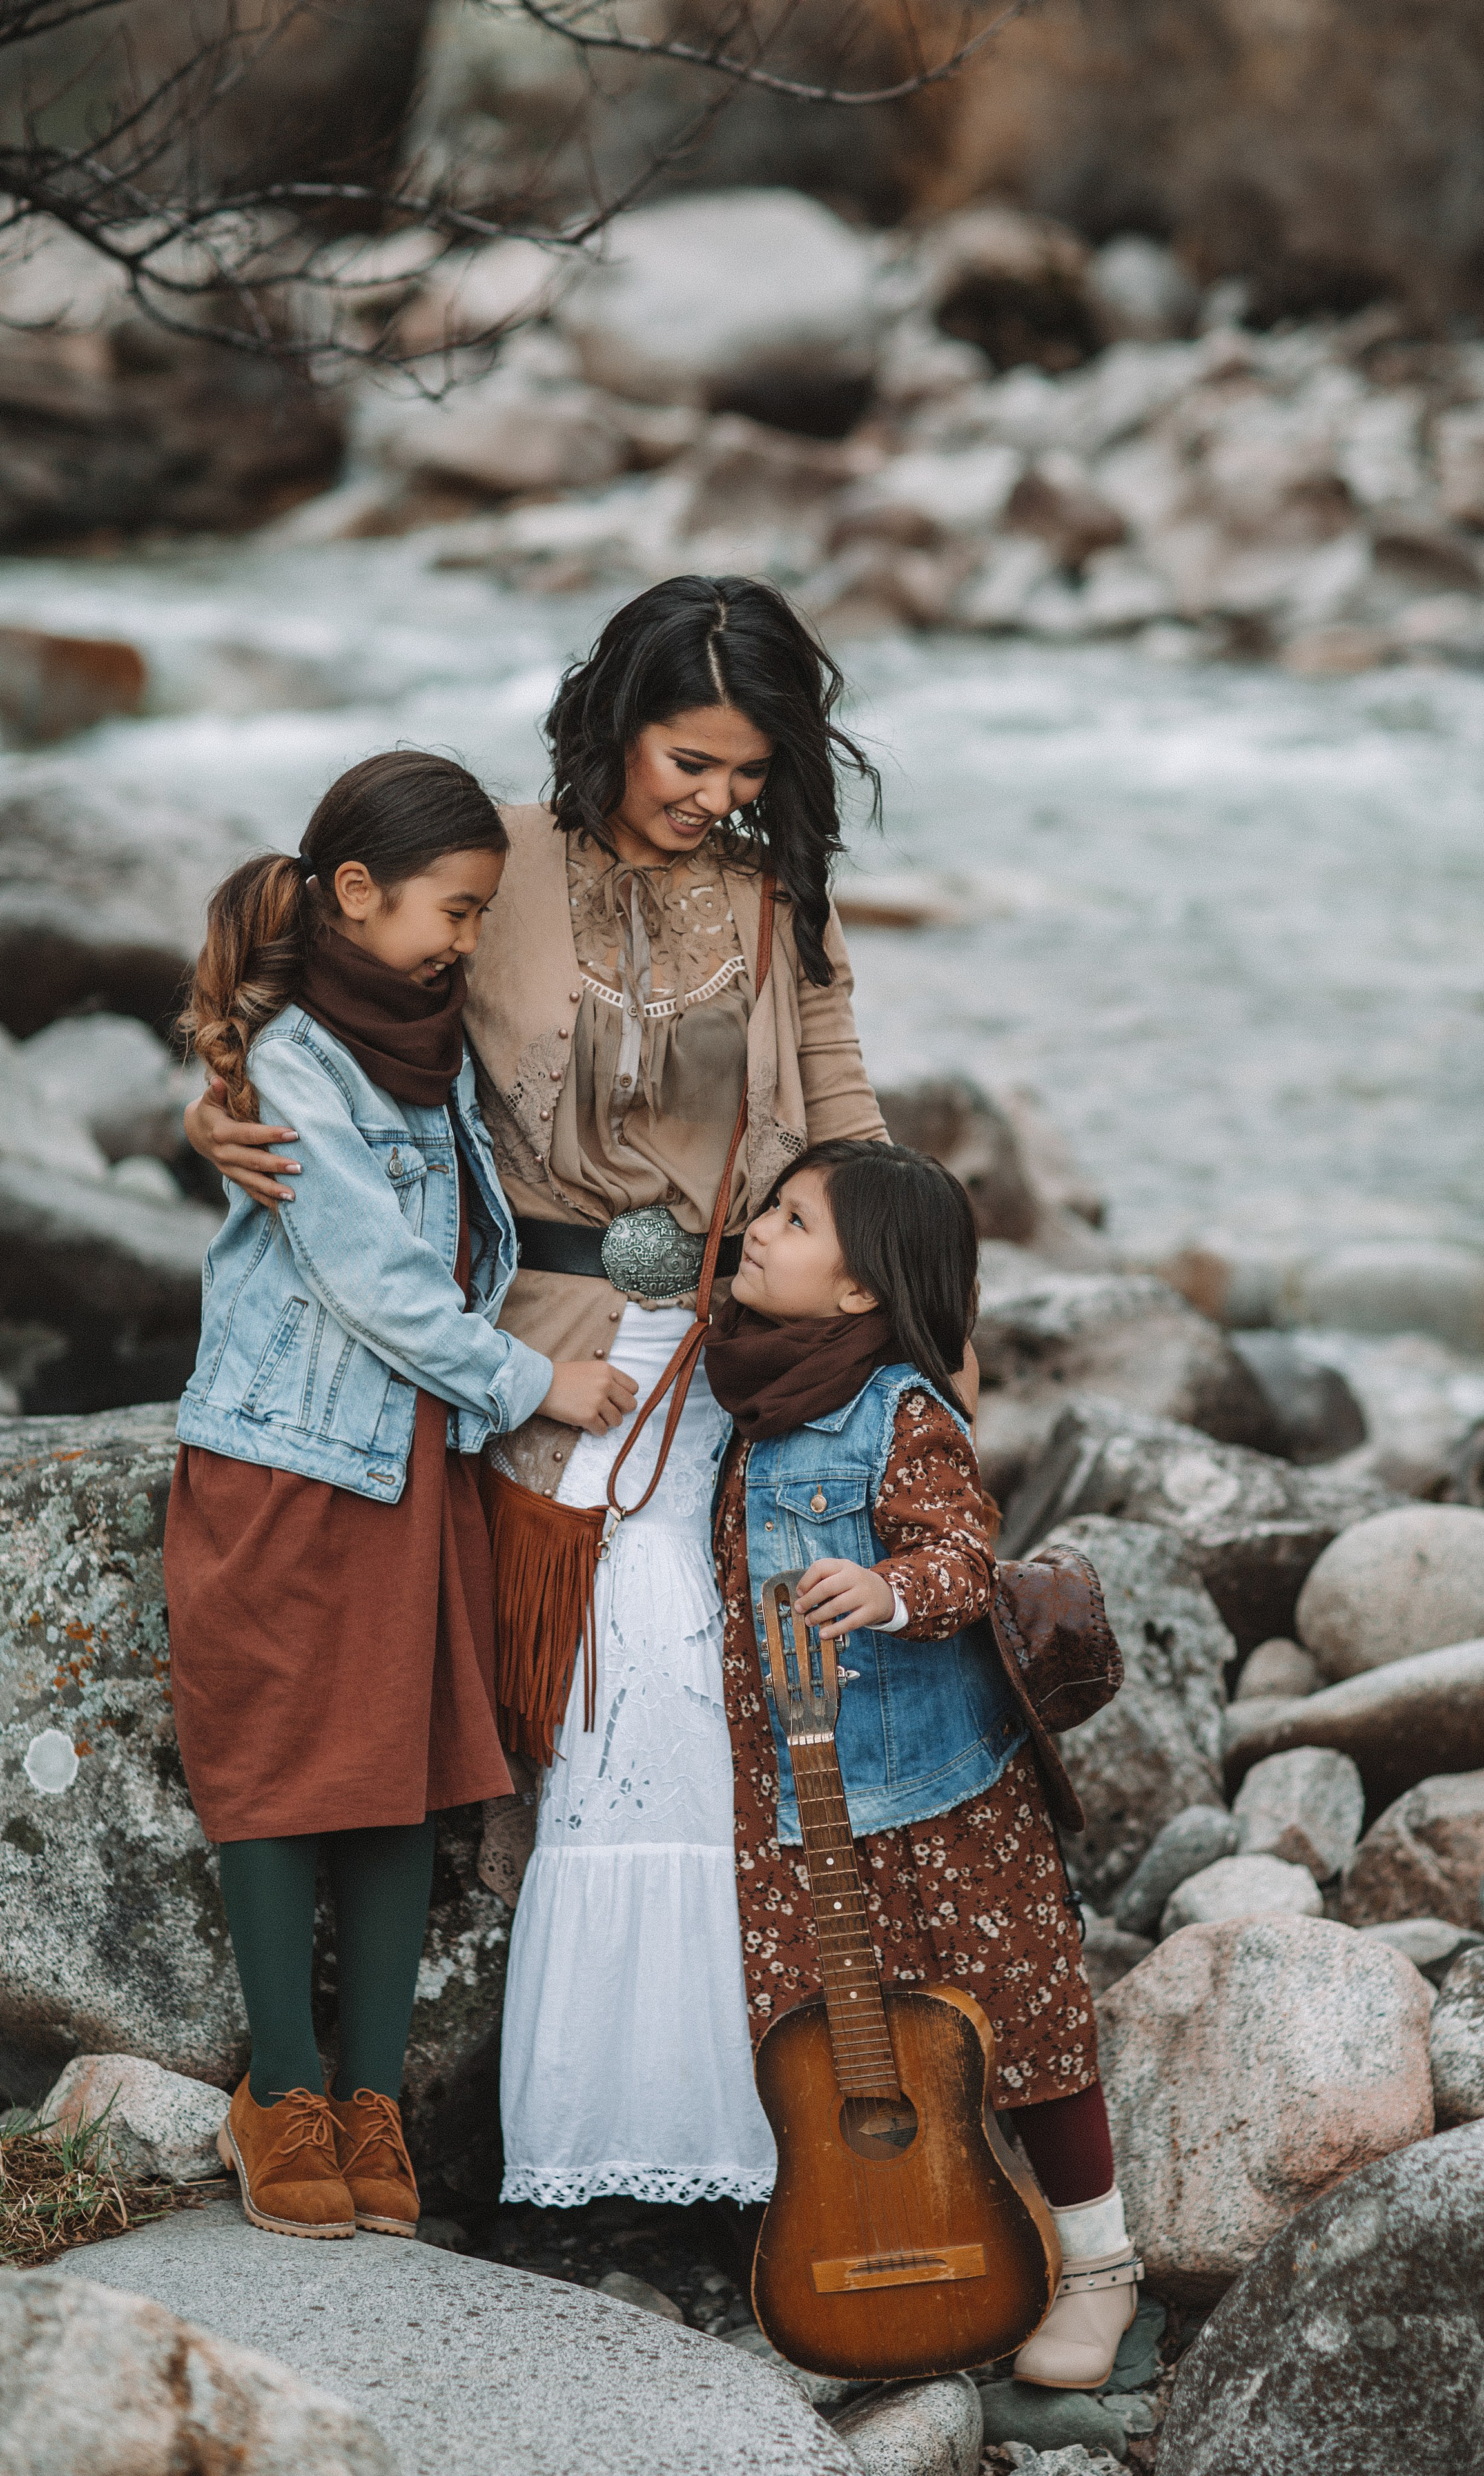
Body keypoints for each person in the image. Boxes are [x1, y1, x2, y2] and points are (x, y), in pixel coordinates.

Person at [182, 576, 893, 2212]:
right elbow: (302, 1004)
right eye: (690, 759)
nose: (717, 798)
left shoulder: (783, 889)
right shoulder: (486, 865)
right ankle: (577, 2141)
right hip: (532, 1350)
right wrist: (210, 1120)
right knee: (610, 1688)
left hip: (735, 1344)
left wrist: (918, 1310)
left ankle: (738, 2142)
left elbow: (842, 1103)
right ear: (615, 721)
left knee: (738, 1687)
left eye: (749, 769)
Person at [166, 749, 579, 2243]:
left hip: (410, 1464)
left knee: (403, 1770)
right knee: (278, 1766)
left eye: (481, 915)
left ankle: (374, 2099)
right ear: (355, 893)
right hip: (290, 1460)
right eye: (454, 912)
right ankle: (281, 2092)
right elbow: (365, 1269)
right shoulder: (293, 1060)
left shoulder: (431, 1035)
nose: (468, 941)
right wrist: (532, 1382)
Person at [705, 1138, 1142, 2389]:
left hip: (937, 1788)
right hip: (794, 1797)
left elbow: (962, 1549)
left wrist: (886, 1588)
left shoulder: (896, 1405)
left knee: (1025, 2020)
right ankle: (890, 2244)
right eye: (769, 1208)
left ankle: (1098, 2265)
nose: (759, 1229)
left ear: (859, 1292)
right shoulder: (749, 1387)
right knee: (831, 2042)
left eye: (792, 1220)